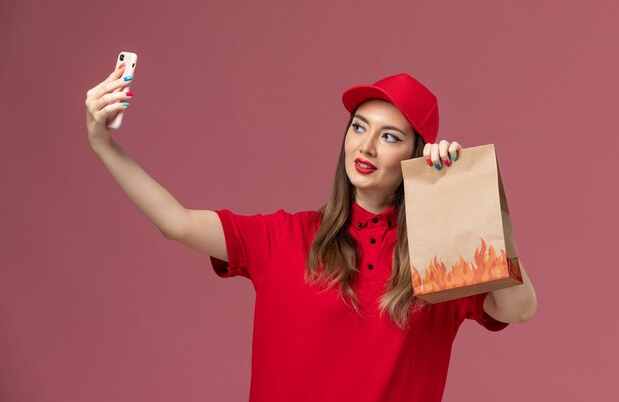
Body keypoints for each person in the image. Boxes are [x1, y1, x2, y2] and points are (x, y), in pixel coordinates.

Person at [85, 68, 537, 402]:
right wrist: (104, 144)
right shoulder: (284, 237)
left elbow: (518, 308)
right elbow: (176, 222)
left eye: (390, 136)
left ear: (415, 154)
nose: (366, 145)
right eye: (359, 127)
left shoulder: (438, 255)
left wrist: (469, 197)